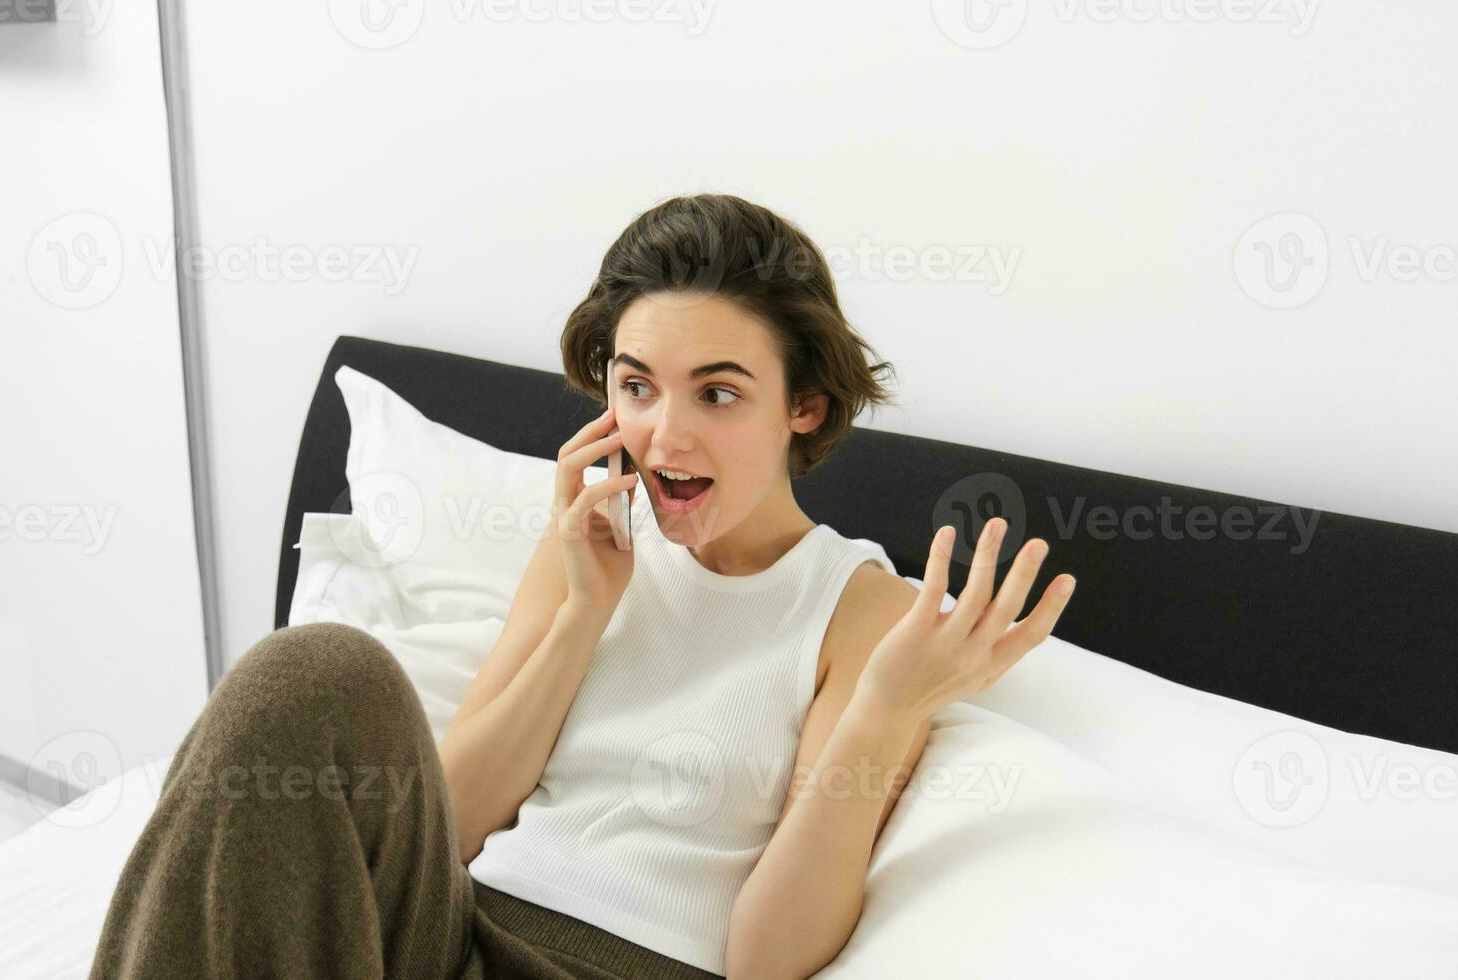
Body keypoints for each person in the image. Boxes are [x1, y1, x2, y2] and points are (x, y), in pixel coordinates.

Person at [89, 194, 1076, 979]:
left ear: (802, 406)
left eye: (718, 392)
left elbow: (766, 959)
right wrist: (581, 613)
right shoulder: (589, 541)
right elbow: (457, 817)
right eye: (636, 384)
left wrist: (884, 709)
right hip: (450, 929)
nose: (663, 434)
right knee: (306, 667)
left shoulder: (860, 610)